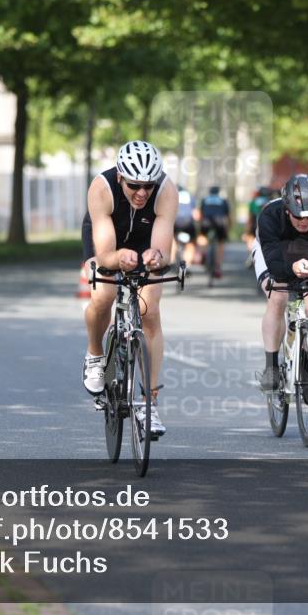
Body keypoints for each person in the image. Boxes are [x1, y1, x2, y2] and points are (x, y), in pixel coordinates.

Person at [81, 140, 178, 437]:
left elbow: (162, 249)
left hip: (145, 238)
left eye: (147, 186)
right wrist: (116, 258)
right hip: (108, 237)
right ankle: (95, 354)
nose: (142, 193)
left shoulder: (166, 191)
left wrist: (155, 256)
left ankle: (150, 405)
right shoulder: (102, 188)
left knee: (150, 312)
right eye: (135, 184)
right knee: (104, 295)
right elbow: (107, 252)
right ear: (121, 177)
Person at [253, 174, 308, 390]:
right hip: (274, 255)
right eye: (299, 217)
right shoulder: (269, 216)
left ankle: (307, 362)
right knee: (279, 297)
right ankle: (271, 366)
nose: (304, 222)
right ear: (287, 209)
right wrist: (291, 268)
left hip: (307, 255)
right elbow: (273, 264)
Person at [197, 185, 230, 279]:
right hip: (220, 223)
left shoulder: (205, 200)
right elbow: (227, 216)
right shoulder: (223, 200)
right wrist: (227, 229)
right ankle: (218, 267)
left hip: (206, 223)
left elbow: (201, 214)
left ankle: (203, 253)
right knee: (220, 243)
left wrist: (200, 226)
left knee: (202, 237)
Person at [244, 186, 274, 266]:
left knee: (250, 238)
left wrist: (247, 228)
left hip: (255, 224)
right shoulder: (271, 201)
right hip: (268, 224)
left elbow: (250, 216)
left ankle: (252, 254)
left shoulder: (253, 202)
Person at [172, 184, 197, 266]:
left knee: (172, 239)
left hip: (176, 222)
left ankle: (171, 260)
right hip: (188, 223)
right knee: (191, 242)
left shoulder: (173, 195)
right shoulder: (190, 197)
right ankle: (188, 264)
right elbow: (194, 213)